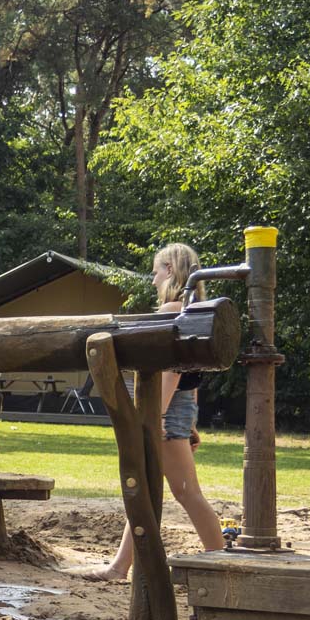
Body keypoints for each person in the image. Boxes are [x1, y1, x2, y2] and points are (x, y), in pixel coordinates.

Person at [71, 243, 225, 581]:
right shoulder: (194, 309)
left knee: (183, 491)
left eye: (156, 271)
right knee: (152, 487)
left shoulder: (173, 309)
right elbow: (192, 371)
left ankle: (220, 561)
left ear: (170, 270)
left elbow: (168, 369)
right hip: (178, 410)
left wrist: (154, 417)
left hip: (167, 410)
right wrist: (189, 421)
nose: (153, 279)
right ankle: (121, 566)